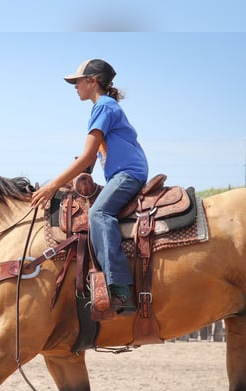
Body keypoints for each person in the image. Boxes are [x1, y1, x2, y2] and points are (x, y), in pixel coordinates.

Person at [31, 58, 149, 315]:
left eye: (77, 81)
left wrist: (52, 186)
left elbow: (86, 156)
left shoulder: (103, 107)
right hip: (121, 173)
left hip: (128, 174)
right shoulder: (105, 107)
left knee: (99, 214)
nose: (75, 87)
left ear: (92, 81)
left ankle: (120, 288)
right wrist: (62, 183)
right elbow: (89, 163)